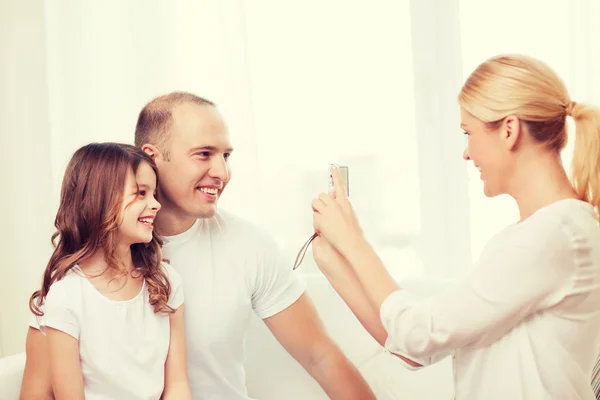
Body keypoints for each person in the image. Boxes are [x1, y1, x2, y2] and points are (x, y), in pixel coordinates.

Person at [21, 93, 375, 400]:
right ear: (152, 157)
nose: (222, 172)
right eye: (204, 154)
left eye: (226, 156)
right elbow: (39, 389)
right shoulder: (80, 268)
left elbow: (320, 355)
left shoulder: (248, 245)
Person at [310, 54, 600, 399]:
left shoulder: (558, 233)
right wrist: (333, 259)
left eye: (469, 133)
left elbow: (419, 333)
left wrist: (353, 240)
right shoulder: (528, 237)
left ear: (509, 130)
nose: (466, 152)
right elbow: (413, 349)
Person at [21, 143, 190, 400]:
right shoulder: (66, 296)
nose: (155, 204)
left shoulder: (165, 281)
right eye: (141, 193)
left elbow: (177, 385)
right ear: (100, 201)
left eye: (154, 194)